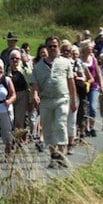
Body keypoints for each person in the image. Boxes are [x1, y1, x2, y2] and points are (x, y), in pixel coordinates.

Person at [30, 36, 77, 168]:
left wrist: (73, 100)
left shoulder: (65, 63)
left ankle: (61, 155)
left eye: (54, 46)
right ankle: (53, 155)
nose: (52, 48)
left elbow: (71, 82)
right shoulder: (39, 66)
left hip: (62, 98)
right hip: (46, 100)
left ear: (59, 47)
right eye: (50, 46)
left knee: (60, 124)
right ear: (46, 47)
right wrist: (35, 94)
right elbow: (35, 84)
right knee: (48, 129)